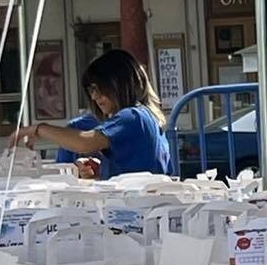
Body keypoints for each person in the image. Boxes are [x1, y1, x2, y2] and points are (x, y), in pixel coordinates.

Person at [13, 49, 177, 178]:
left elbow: (84, 142)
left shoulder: (132, 117)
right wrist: (103, 170)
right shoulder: (145, 116)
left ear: (119, 84)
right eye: (91, 90)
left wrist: (37, 129)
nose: (94, 96)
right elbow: (137, 169)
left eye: (99, 88)